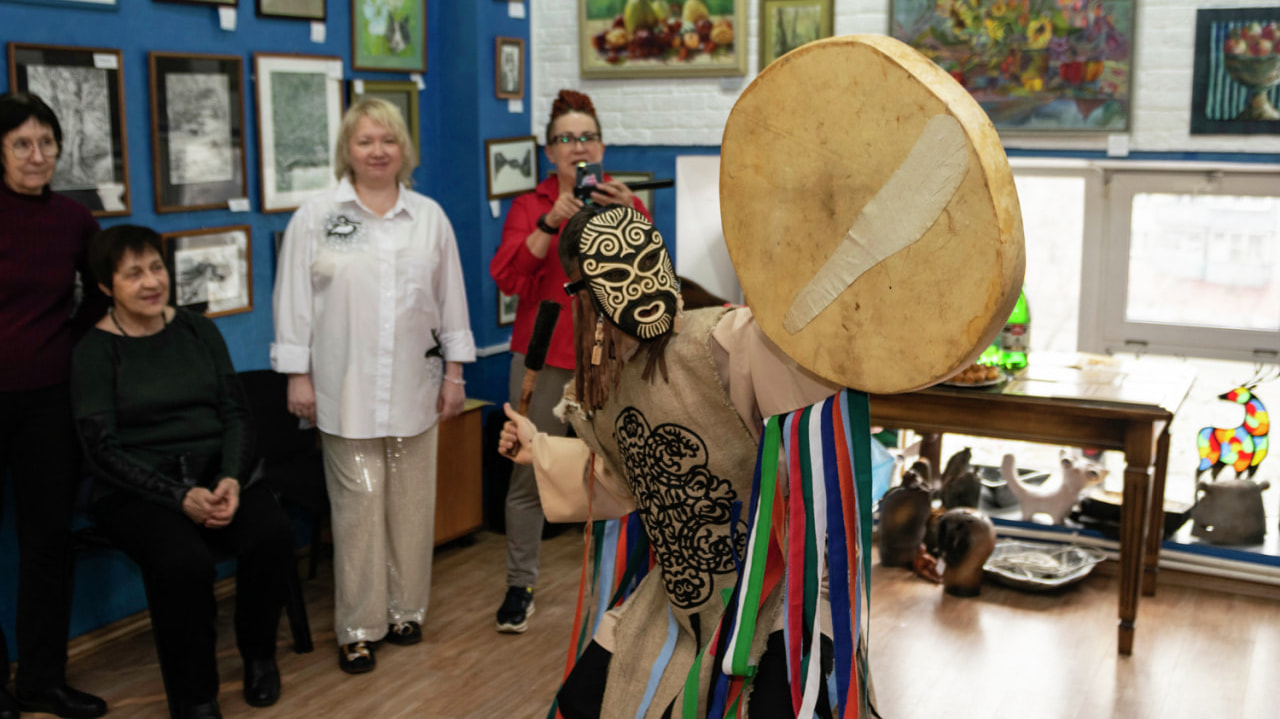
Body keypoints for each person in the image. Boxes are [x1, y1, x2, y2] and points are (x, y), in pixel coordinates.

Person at [499, 205, 841, 718]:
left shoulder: (726, 342)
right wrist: (539, 447)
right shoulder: (601, 389)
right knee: (583, 702)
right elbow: (628, 484)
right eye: (612, 270)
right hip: (683, 597)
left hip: (778, 583)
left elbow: (813, 431)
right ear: (581, 294)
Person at [272, 98, 475, 673]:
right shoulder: (317, 216)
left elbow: (449, 301)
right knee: (358, 508)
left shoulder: (429, 218)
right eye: (365, 141)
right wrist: (297, 375)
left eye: (387, 140)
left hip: (417, 385)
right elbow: (293, 300)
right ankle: (359, 626)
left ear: (403, 149)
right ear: (347, 150)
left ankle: (407, 609)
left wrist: (457, 374)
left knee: (412, 505)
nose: (378, 151)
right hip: (344, 389)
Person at [70, 225, 293, 719]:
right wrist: (178, 497)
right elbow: (100, 449)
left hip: (216, 474)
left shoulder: (199, 330)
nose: (151, 282)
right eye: (133, 274)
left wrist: (231, 477)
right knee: (182, 565)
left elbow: (236, 413)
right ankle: (196, 696)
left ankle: (259, 657)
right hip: (137, 489)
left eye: (156, 268)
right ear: (106, 287)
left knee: (272, 535)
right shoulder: (94, 352)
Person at [488, 89, 649, 634]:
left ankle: (617, 588)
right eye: (565, 139)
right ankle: (520, 585)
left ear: (601, 145)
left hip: (609, 359)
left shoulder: (624, 201)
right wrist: (550, 224)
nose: (578, 148)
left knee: (616, 472)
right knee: (526, 476)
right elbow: (507, 277)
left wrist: (631, 217)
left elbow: (651, 278)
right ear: (549, 151)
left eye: (587, 137)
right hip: (543, 357)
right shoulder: (530, 207)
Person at [0, 92, 108, 719]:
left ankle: (43, 679)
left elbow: (99, 293)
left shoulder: (73, 219)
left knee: (47, 544)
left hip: (48, 405)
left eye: (47, 143)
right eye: (21, 143)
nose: (38, 156)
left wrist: (62, 346)